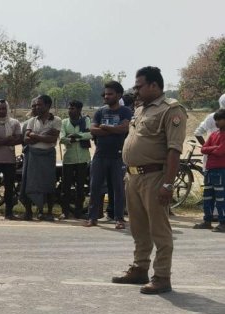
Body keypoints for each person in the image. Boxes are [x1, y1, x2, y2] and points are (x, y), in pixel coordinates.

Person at [111, 66, 187, 295]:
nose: (136, 90)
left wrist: (168, 183)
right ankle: (140, 268)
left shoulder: (171, 110)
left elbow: (174, 150)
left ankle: (162, 276)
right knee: (139, 228)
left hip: (155, 176)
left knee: (159, 229)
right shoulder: (141, 109)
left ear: (154, 86)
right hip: (133, 176)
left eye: (139, 86)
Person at [88, 81, 133, 229]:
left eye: (110, 94)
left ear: (118, 95)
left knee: (118, 188)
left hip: (118, 156)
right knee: (94, 187)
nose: (106, 96)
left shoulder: (125, 111)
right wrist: (112, 128)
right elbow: (93, 130)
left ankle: (119, 218)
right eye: (105, 94)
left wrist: (105, 127)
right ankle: (92, 218)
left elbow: (123, 129)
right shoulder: (100, 111)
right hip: (100, 155)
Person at [22, 95, 61, 221]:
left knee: (48, 183)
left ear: (48, 106)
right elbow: (27, 139)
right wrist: (42, 136)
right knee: (30, 184)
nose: (37, 107)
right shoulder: (32, 121)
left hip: (48, 155)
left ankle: (48, 212)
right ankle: (29, 212)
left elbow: (52, 139)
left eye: (40, 105)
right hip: (33, 155)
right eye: (36, 105)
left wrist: (35, 135)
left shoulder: (56, 120)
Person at [0, 99, 23, 220]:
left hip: (9, 161)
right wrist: (8, 140)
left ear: (7, 109)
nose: (1, 111)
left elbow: (19, 139)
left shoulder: (15, 123)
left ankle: (9, 213)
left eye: (3, 108)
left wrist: (1, 140)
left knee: (9, 188)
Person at [59, 100, 93, 220]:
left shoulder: (86, 120)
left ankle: (79, 212)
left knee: (80, 187)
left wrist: (76, 136)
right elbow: (62, 138)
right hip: (69, 158)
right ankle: (65, 212)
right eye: (69, 108)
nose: (70, 110)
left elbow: (90, 135)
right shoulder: (64, 122)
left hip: (83, 158)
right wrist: (80, 136)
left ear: (79, 110)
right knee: (66, 187)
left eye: (72, 108)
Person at [193, 109, 225, 231]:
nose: (216, 122)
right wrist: (214, 148)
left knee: (221, 197)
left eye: (219, 120)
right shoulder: (214, 134)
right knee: (208, 196)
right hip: (210, 169)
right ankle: (207, 221)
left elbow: (220, 151)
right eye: (215, 120)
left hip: (220, 170)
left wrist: (211, 149)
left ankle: (223, 222)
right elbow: (203, 149)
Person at [193, 93, 225, 175]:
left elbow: (197, 133)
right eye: (216, 120)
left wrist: (208, 149)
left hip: (212, 164)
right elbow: (219, 150)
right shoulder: (213, 117)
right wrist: (211, 149)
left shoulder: (212, 117)